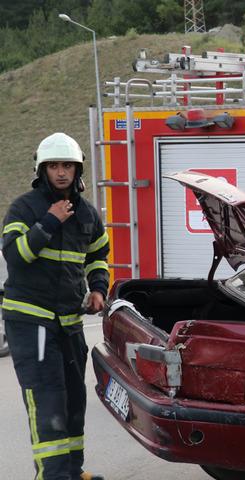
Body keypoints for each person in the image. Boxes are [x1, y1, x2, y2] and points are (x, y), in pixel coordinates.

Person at [2, 133, 109, 480]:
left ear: (77, 170)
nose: (61, 172)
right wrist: (48, 222)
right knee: (47, 402)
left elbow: (98, 257)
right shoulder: (24, 208)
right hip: (31, 321)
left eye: (67, 166)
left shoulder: (88, 213)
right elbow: (16, 257)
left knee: (73, 402)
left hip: (69, 322)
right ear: (41, 169)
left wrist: (97, 289)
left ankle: (71, 472)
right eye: (53, 166)